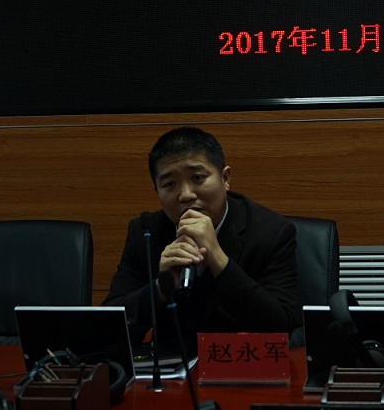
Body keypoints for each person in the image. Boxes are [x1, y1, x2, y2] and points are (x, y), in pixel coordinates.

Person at [103, 127, 299, 355]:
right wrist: (159, 289)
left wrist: (220, 263)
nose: (186, 194)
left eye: (197, 178)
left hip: (239, 365)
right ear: (157, 191)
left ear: (225, 178)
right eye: (169, 184)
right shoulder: (146, 232)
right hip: (172, 370)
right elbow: (108, 330)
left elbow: (281, 329)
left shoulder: (271, 232)